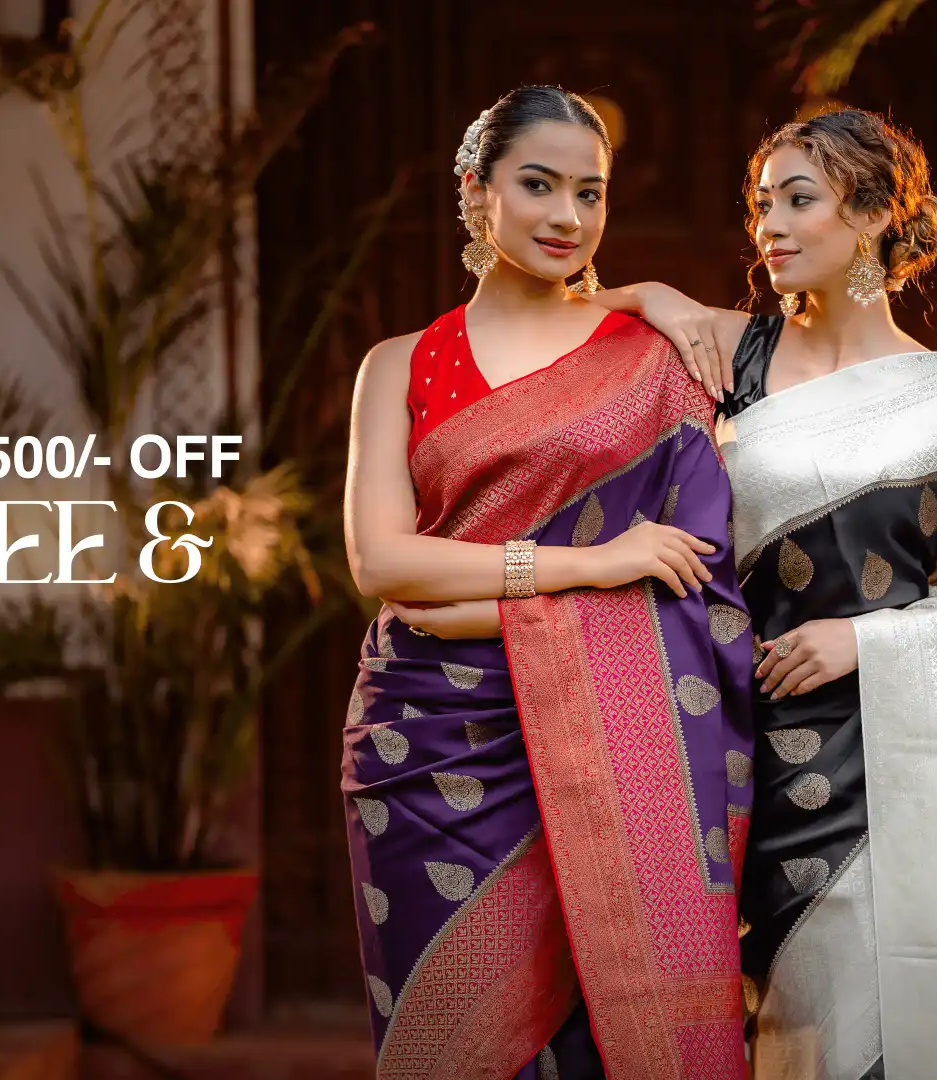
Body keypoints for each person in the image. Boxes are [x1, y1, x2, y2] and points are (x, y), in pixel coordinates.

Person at [595, 107, 937, 1079]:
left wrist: (876, 643)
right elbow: (570, 323)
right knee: (796, 1025)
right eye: (760, 203)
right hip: (753, 750)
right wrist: (652, 294)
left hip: (910, 761)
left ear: (872, 217)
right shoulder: (731, 359)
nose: (768, 224)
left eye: (798, 201)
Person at [340, 85, 755, 1080]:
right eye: (538, 185)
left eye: (590, 193)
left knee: (605, 1028)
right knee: (451, 1042)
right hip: (422, 742)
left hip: (617, 737)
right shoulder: (397, 365)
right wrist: (594, 564)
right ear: (479, 191)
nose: (569, 217)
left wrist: (648, 297)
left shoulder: (657, 356)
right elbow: (384, 568)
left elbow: (807, 358)